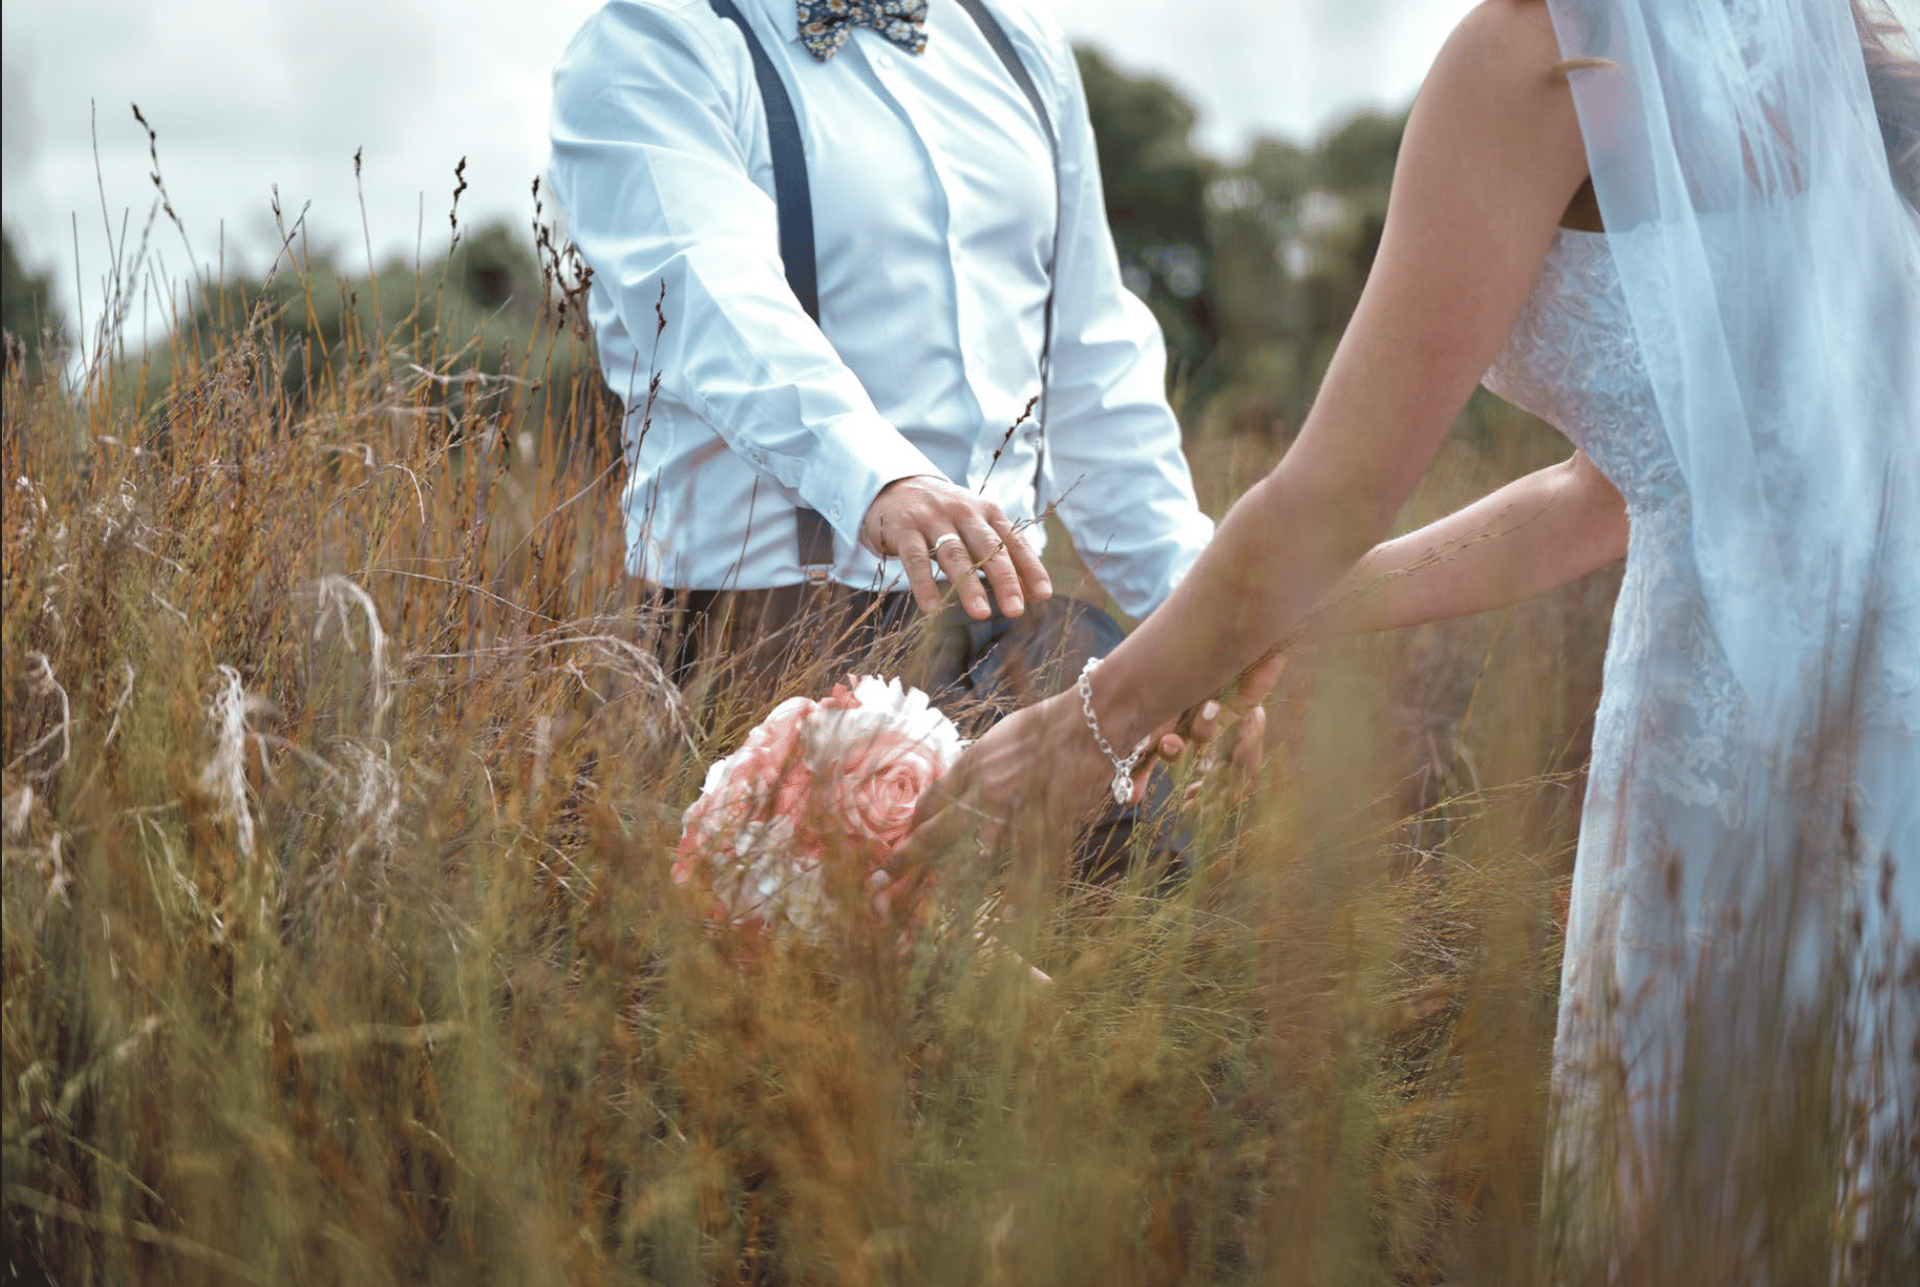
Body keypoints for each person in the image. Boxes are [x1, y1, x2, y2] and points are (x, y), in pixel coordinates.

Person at [918, 0, 1919, 1264]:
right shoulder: (1794, 39)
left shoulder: (1537, 50)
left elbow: (1330, 495)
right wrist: (1294, 615)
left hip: (1755, 747)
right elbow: (1618, 491)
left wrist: (1092, 720)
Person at [546, 0, 1253, 874]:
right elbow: (706, 295)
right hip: (762, 640)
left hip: (1021, 639)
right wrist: (877, 476)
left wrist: (1204, 617)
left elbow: (1094, 360)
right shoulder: (654, 40)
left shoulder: (1019, 43)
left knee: (1140, 922)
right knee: (821, 957)